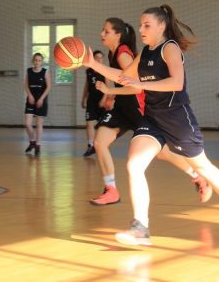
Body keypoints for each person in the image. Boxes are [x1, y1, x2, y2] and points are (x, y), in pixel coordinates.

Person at [83, 5, 219, 246]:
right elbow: (123, 76)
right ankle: (140, 227)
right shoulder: (145, 53)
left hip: (178, 119)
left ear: (161, 26)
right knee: (134, 164)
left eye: (146, 25)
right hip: (152, 118)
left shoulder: (169, 48)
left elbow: (177, 83)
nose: (141, 29)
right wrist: (92, 65)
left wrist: (141, 84)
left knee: (204, 168)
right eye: (140, 25)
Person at [89, 17, 212, 207]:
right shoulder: (112, 53)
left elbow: (137, 87)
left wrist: (110, 91)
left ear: (117, 35)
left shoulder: (123, 54)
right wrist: (114, 97)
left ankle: (198, 176)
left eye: (106, 31)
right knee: (99, 142)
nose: (101, 34)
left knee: (163, 153)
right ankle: (111, 190)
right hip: (123, 109)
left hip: (139, 110)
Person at [81, 50, 109, 156]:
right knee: (89, 123)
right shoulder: (88, 71)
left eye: (101, 57)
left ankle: (100, 145)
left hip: (101, 99)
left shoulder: (105, 70)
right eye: (96, 57)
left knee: (102, 125)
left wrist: (104, 99)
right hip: (91, 100)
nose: (99, 59)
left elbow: (108, 87)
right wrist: (83, 99)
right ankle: (90, 146)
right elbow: (87, 85)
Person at [24, 53, 51, 156]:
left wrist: (41, 99)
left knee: (39, 123)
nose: (37, 62)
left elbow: (48, 87)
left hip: (41, 99)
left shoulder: (45, 72)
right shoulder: (29, 71)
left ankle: (38, 145)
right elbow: (26, 85)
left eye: (39, 60)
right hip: (31, 99)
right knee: (27, 123)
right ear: (32, 61)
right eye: (35, 60)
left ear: (42, 62)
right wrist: (29, 95)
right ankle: (32, 141)